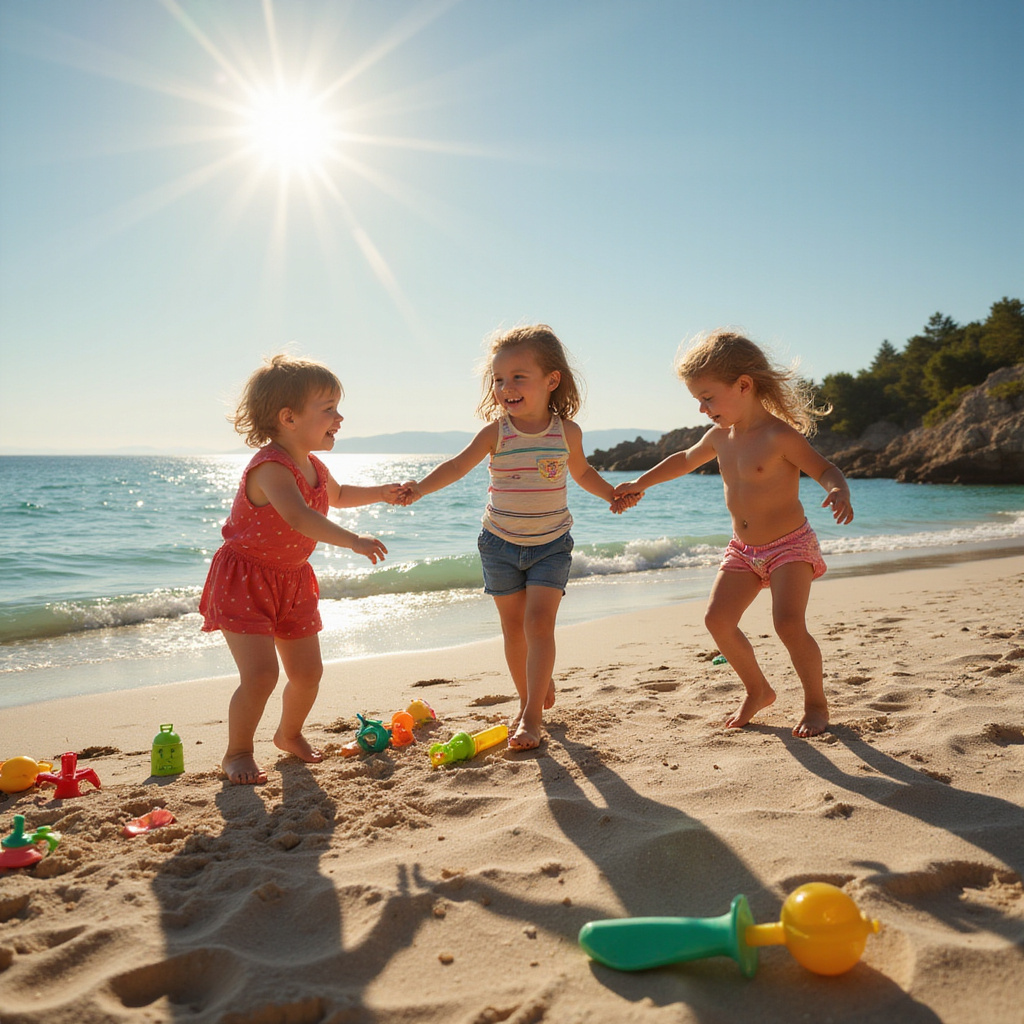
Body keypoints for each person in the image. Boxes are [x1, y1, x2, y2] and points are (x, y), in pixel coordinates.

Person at [398, 325, 636, 751]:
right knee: (514, 629)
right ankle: (529, 695)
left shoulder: (568, 433)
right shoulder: (497, 432)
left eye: (518, 377)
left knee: (539, 623)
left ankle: (530, 715)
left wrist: (611, 495)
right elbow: (456, 466)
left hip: (551, 543)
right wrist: (421, 488)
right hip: (499, 543)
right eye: (498, 379)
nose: (506, 387)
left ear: (552, 380)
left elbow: (581, 472)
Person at [613, 330, 854, 738]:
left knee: (789, 624)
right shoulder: (719, 438)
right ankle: (758, 690)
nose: (703, 409)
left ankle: (816, 703)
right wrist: (639, 483)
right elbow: (683, 461)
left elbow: (825, 468)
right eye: (698, 400)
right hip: (743, 549)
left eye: (708, 397)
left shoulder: (779, 436)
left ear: (743, 385)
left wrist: (838, 489)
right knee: (717, 620)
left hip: (789, 546)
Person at [200, 354, 402, 784]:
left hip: (292, 580)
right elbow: (297, 517)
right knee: (260, 675)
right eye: (328, 409)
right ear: (288, 417)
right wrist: (353, 541)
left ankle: (288, 734)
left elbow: (341, 493)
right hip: (246, 579)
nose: (340, 417)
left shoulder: (316, 466)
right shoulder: (271, 466)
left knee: (308, 673)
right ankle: (236, 752)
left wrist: (381, 493)